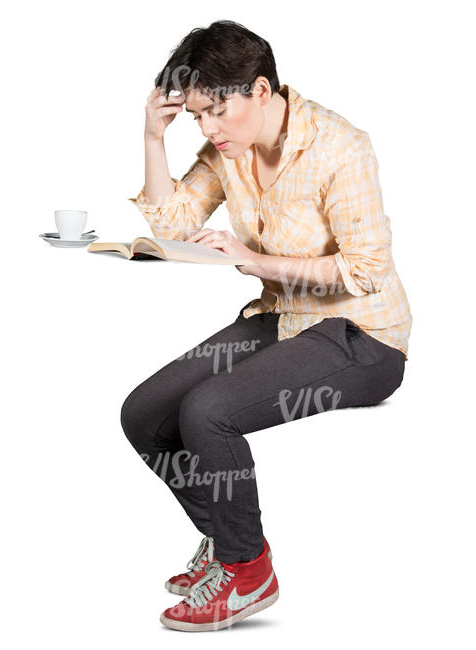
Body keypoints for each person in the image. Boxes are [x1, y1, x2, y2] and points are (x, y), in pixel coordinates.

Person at [121, 19, 412, 632]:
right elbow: (172, 226)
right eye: (197, 116)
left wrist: (253, 261)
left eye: (216, 112)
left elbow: (365, 270)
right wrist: (153, 137)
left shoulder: (340, 146)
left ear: (259, 89)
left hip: (361, 336)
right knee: (144, 413)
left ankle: (248, 570)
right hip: (281, 318)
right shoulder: (229, 148)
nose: (208, 129)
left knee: (207, 410)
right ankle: (224, 540)